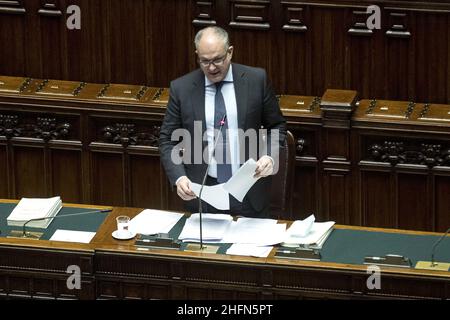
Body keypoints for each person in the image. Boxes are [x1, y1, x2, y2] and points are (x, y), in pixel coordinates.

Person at [159, 26, 286, 218]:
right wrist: (179, 177)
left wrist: (269, 156)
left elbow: (276, 126)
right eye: (205, 61)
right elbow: (167, 139)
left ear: (230, 52)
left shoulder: (255, 80)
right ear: (197, 55)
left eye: (217, 59)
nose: (211, 67)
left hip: (249, 190)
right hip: (202, 194)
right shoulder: (182, 88)